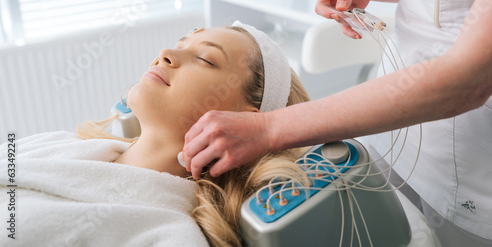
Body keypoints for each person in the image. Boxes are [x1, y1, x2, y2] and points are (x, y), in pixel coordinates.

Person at [182, 0, 492, 246]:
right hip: (391, 133)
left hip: (474, 170)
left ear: (252, 110)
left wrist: (268, 130)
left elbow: (469, 78)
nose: (164, 57)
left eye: (206, 58)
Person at [0, 23, 311, 247]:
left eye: (204, 58)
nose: (165, 52)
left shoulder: (168, 235)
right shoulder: (55, 143)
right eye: (180, 43)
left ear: (243, 124)